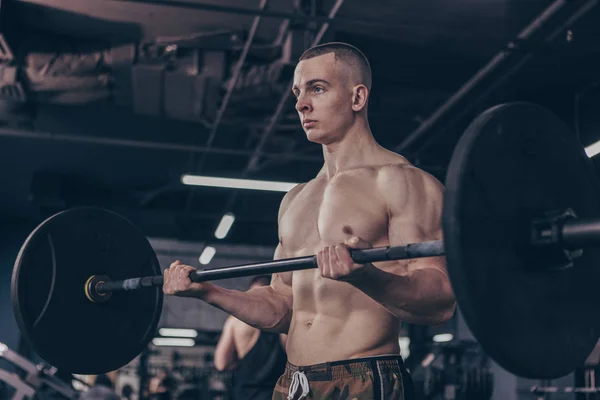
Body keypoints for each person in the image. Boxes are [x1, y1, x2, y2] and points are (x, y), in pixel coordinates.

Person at [163, 42, 456, 399]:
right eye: (298, 92)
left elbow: (439, 302)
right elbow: (280, 307)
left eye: (317, 88)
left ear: (357, 97)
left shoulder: (401, 181)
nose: (301, 103)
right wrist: (207, 292)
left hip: (363, 377)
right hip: (293, 382)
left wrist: (366, 276)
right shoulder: (295, 200)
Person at [214, 275, 288, 400]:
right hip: (275, 394)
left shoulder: (235, 321)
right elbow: (296, 360)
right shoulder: (285, 320)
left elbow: (221, 363)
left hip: (245, 394)